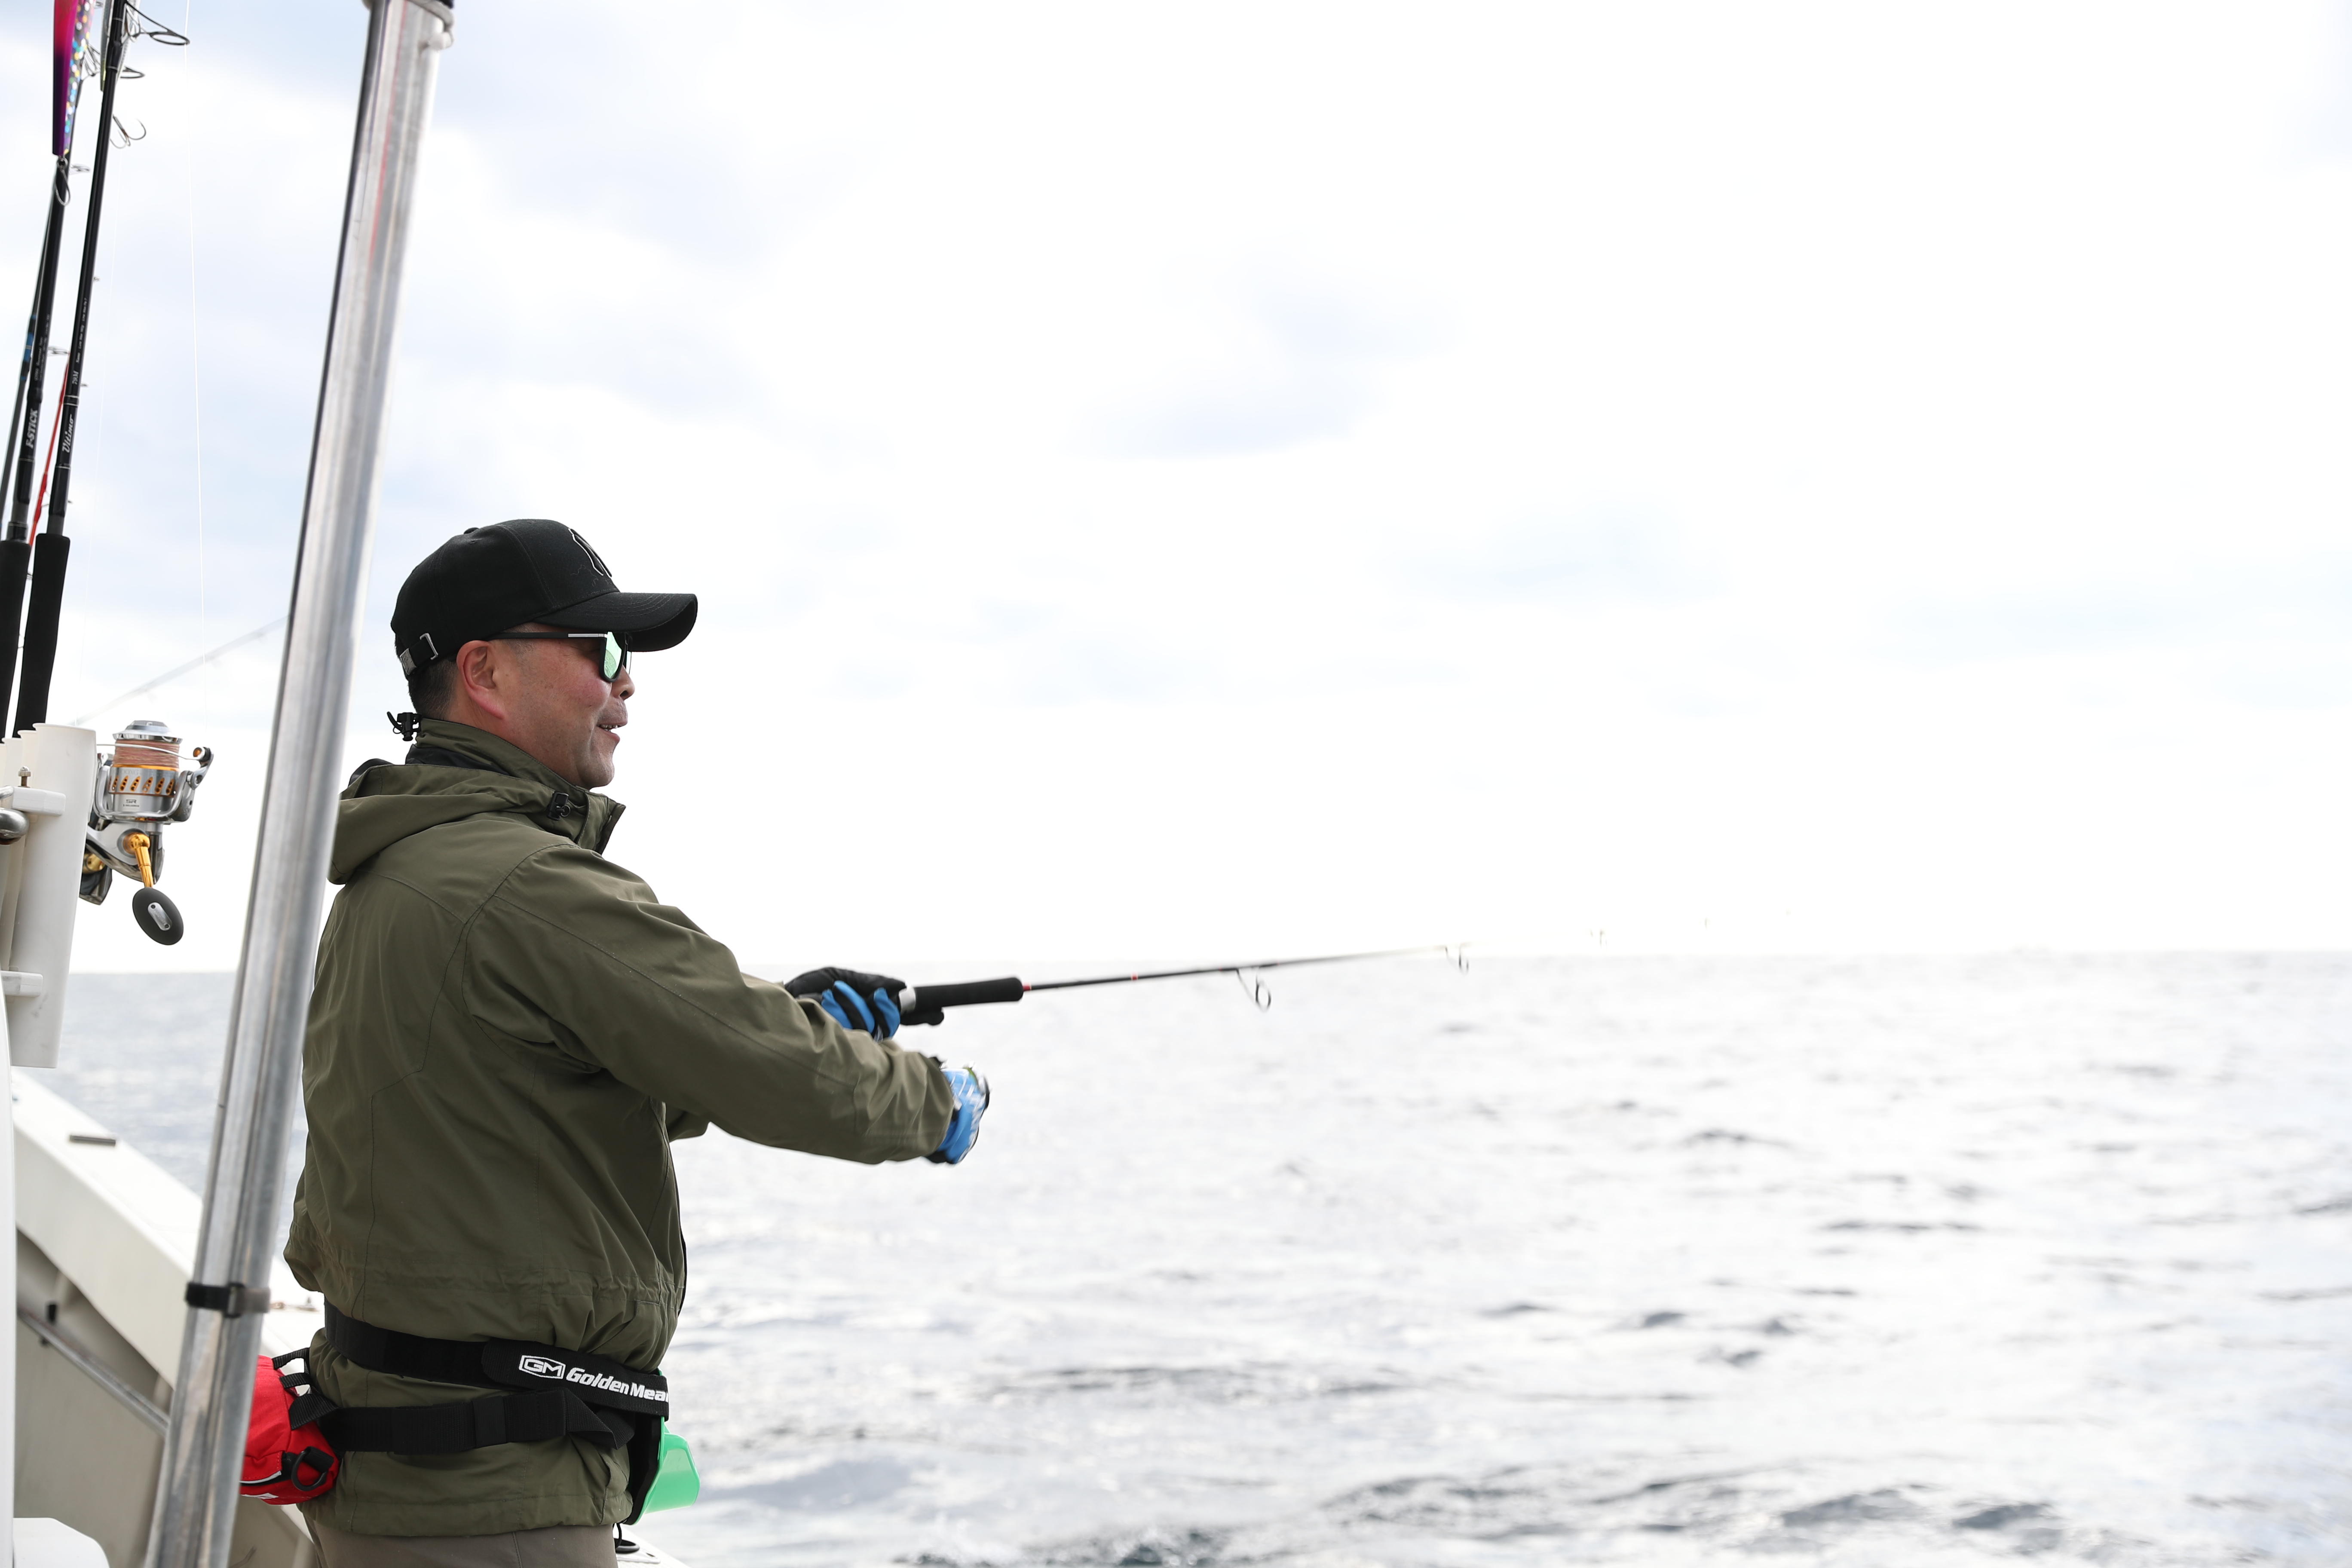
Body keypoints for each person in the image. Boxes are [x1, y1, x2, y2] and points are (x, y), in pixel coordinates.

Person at [282, 519, 989, 1566]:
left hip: (405, 1467)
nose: (627, 684)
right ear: (483, 670)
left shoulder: (403, 871)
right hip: (496, 1497)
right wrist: (938, 1100)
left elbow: (537, 1087)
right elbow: (775, 1068)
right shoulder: (527, 883)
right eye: (601, 651)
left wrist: (795, 1007)